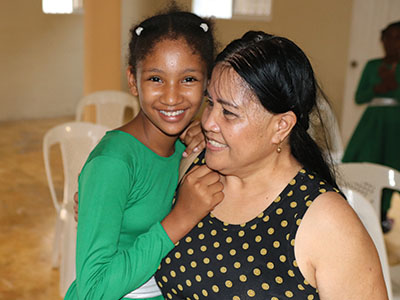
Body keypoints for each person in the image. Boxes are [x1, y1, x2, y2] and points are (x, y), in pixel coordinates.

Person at [155, 31, 388, 299]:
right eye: (210, 103)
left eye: (228, 112)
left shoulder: (325, 222)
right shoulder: (195, 172)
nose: (207, 122)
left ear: (281, 126)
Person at [64, 7, 224, 300]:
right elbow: (93, 291)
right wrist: (180, 218)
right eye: (155, 79)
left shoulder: (190, 149)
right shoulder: (113, 162)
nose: (172, 96)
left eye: (188, 79)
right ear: (132, 80)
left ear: (208, 83)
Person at [342, 21, 400, 233]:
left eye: (398, 38)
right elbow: (359, 97)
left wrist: (393, 87)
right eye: (388, 38)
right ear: (382, 40)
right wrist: (378, 87)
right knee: (365, 158)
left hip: (396, 124)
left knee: (391, 164)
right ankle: (357, 208)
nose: (392, 43)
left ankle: (383, 212)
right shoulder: (373, 65)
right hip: (372, 123)